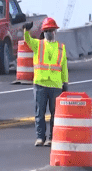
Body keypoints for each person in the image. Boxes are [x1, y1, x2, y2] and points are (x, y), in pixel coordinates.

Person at [23, 17, 68, 147]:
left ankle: (52, 138)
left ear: (55, 31)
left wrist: (65, 83)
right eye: (47, 30)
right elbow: (27, 40)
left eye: (51, 30)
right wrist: (26, 30)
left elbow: (64, 67)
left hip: (55, 85)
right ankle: (40, 137)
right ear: (44, 32)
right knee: (39, 113)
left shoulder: (61, 48)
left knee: (55, 114)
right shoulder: (38, 44)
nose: (49, 33)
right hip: (40, 84)